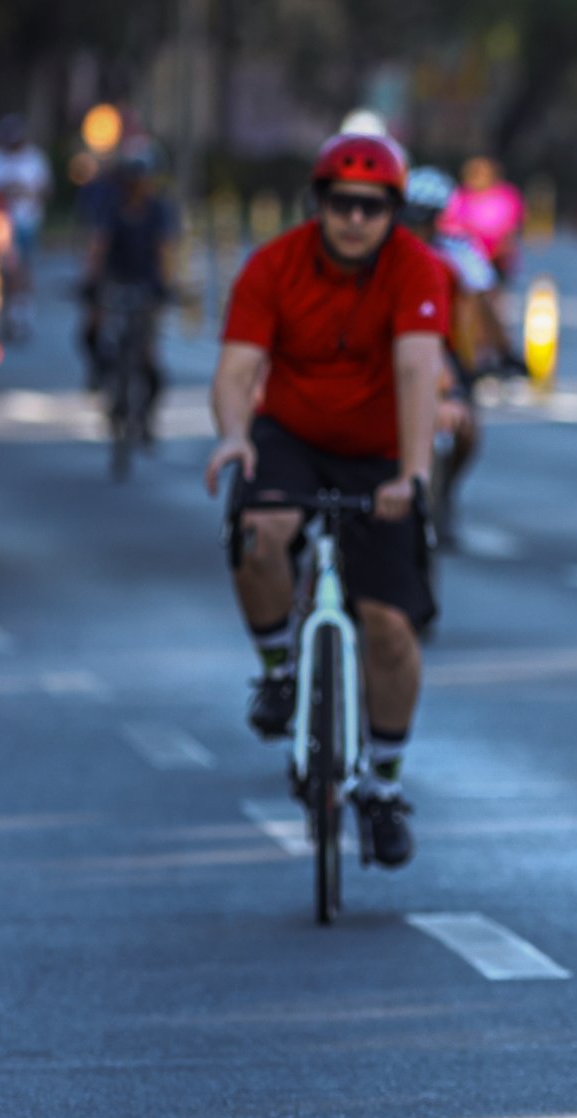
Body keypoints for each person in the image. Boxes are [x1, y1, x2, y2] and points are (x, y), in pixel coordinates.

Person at [201, 132, 448, 867]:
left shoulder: (415, 268)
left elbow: (416, 371)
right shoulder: (273, 265)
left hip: (379, 447)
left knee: (390, 630)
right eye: (341, 203)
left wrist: (410, 475)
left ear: (393, 214)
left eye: (373, 208)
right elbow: (238, 367)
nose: (355, 220)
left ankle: (382, 784)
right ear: (318, 204)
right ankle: (279, 670)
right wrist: (232, 437)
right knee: (260, 527)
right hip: (292, 433)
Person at [402, 165, 509, 547]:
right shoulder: (383, 253)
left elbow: (483, 309)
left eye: (424, 218)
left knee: (466, 429)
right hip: (398, 353)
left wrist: (504, 353)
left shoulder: (459, 254)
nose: (416, 227)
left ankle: (444, 491)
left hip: (449, 352)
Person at [80, 145, 177, 434]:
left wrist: (165, 284)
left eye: (143, 179)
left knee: (148, 350)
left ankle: (146, 411)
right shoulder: (112, 207)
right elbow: (99, 245)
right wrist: (92, 282)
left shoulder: (159, 210)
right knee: (94, 325)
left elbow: (165, 251)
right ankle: (101, 373)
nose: (139, 185)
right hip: (115, 279)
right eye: (133, 179)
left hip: (146, 282)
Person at [0, 116, 50, 338]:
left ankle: (20, 313)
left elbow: (45, 189)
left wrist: (24, 192)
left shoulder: (34, 159)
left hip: (25, 222)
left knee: (22, 267)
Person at [442, 156, 523, 280]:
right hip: (464, 258)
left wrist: (498, 252)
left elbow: (511, 228)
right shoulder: (458, 196)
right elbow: (447, 225)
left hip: (497, 259)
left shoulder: (507, 196)